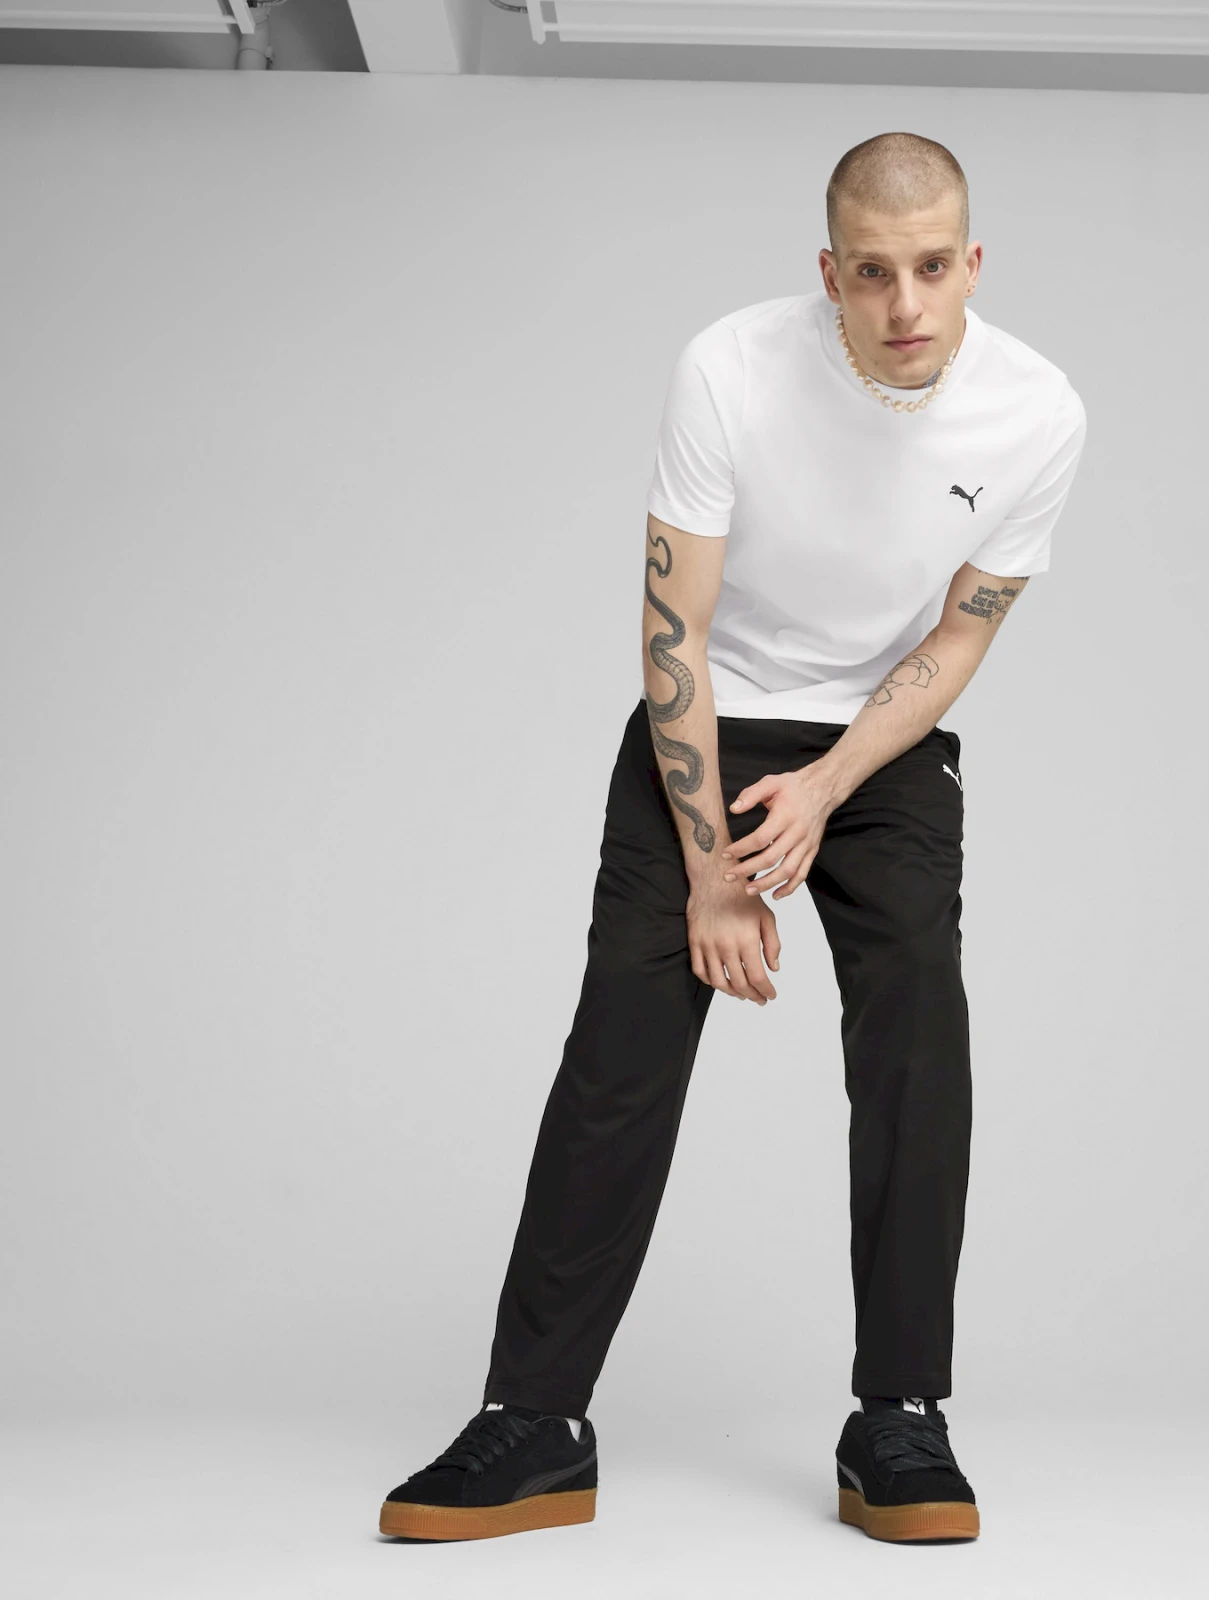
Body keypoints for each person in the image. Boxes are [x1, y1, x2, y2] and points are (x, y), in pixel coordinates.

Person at [378, 130, 1088, 1547]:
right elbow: (675, 630)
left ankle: (900, 1417)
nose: (904, 305)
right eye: (872, 273)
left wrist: (828, 787)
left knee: (919, 1041)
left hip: (877, 745)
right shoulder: (732, 368)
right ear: (829, 271)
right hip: (705, 720)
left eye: (931, 269)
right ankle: (536, 1420)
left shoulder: (1038, 412)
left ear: (973, 263)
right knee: (620, 1054)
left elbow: (958, 640)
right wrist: (713, 869)